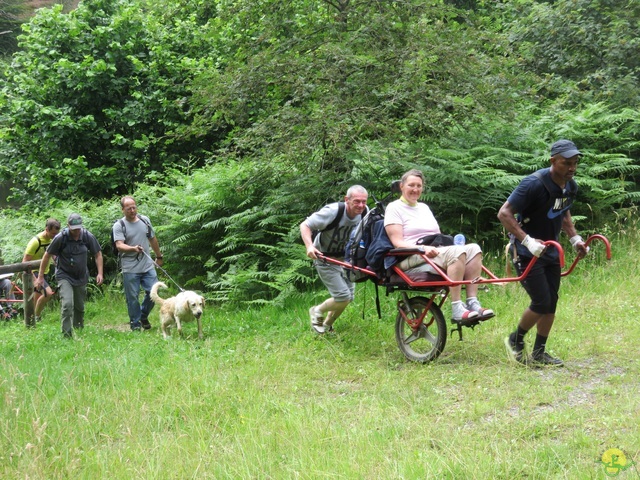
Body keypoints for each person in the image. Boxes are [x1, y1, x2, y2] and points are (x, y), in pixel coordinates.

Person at [498, 139, 589, 367]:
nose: (572, 168)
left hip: (550, 251)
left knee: (552, 303)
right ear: (553, 161)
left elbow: (564, 212)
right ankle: (514, 340)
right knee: (541, 301)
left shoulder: (570, 186)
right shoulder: (534, 184)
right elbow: (504, 213)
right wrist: (527, 241)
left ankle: (539, 353)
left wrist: (575, 238)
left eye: (575, 163)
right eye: (566, 163)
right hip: (526, 252)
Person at [384, 169, 494, 323]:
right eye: (411, 185)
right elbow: (397, 242)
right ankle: (456, 307)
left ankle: (472, 302)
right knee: (456, 251)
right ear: (402, 186)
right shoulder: (394, 208)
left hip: (432, 252)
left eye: (419, 186)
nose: (415, 189)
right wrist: (422, 248)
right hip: (410, 255)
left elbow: (436, 235)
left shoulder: (424, 208)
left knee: (474, 248)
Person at [300, 185, 369, 333]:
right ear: (347, 200)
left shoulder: (365, 213)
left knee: (349, 297)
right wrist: (309, 246)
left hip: (346, 260)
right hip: (325, 258)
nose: (361, 205)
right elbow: (305, 225)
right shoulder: (333, 211)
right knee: (343, 296)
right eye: (357, 201)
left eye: (364, 201)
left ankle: (327, 326)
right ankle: (316, 310)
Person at [35, 213, 103, 338]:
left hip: (81, 275)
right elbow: (47, 255)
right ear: (68, 226)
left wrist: (100, 273)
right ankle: (66, 334)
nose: (76, 231)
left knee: (79, 306)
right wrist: (40, 277)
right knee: (67, 304)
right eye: (74, 228)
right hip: (64, 275)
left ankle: (79, 329)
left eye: (78, 228)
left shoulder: (87, 236)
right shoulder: (61, 237)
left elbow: (97, 254)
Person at [112, 196, 164, 331]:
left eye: (134, 207)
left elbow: (152, 239)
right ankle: (135, 325)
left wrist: (159, 256)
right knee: (132, 297)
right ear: (123, 209)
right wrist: (133, 249)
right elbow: (119, 245)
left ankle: (143, 315)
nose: (132, 210)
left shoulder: (144, 220)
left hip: (147, 265)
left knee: (153, 292)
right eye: (129, 208)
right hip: (130, 268)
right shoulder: (119, 225)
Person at [22, 218, 61, 322]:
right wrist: (34, 279)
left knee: (35, 299)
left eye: (56, 234)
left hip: (45, 271)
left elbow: (50, 253)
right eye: (53, 233)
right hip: (34, 273)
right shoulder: (35, 242)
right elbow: (24, 261)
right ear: (47, 229)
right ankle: (37, 317)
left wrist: (56, 261)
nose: (54, 236)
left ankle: (30, 321)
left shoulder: (52, 239)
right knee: (48, 293)